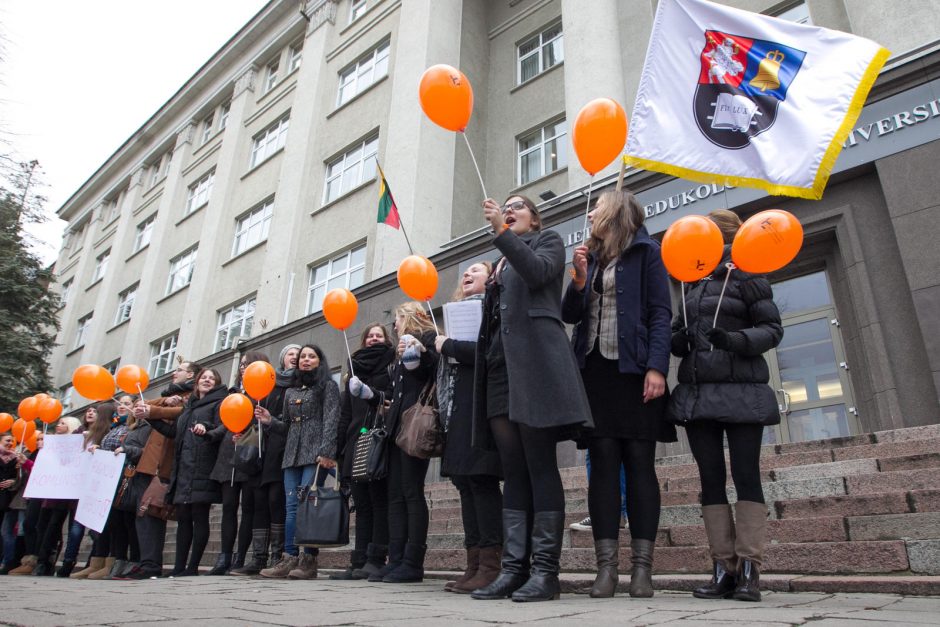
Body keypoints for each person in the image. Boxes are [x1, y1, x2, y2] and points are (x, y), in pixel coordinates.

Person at [470, 195, 593, 603]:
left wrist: (503, 235)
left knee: (539, 465)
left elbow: (539, 273)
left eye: (519, 205)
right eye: (506, 206)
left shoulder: (549, 241)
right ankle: (512, 569)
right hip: (501, 370)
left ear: (534, 218)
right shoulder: (502, 261)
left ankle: (546, 573)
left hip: (536, 365)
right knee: (514, 470)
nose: (510, 209)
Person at [562, 189, 676, 598]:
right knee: (603, 464)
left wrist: (657, 368)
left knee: (640, 463)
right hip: (594, 372)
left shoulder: (648, 252)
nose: (591, 214)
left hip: (635, 371)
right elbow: (569, 316)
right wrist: (577, 282)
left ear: (616, 214)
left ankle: (642, 571)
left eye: (597, 209)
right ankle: (605, 569)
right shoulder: (588, 258)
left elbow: (661, 313)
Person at [667, 209, 783, 603]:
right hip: (699, 394)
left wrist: (735, 341)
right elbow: (681, 335)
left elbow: (772, 329)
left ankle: (750, 569)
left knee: (746, 475)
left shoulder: (747, 273)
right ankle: (723, 569)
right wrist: (677, 339)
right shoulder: (691, 280)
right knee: (710, 480)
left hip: (742, 391)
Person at [435, 263, 504, 594]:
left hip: (481, 406)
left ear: (489, 278)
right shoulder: (454, 315)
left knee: (481, 481)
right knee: (465, 484)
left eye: (476, 270)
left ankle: (491, 564)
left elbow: (486, 353)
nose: (467, 274)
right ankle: (473, 564)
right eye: (464, 272)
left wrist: (446, 345)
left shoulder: (491, 307)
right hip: (456, 409)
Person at [369, 302, 439, 584]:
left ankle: (413, 561)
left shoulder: (427, 339)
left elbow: (431, 371)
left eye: (396, 319)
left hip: (415, 428)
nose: (394, 325)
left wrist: (418, 355)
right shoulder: (398, 349)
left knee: (411, 492)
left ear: (407, 318)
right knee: (395, 494)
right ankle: (396, 559)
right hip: (396, 427)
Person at [257, 344, 339, 580]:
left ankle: (309, 561)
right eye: (302, 357)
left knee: (308, 505)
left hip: (315, 454)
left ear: (319, 361)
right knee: (291, 507)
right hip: (291, 455)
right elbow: (286, 426)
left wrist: (327, 452)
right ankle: (289, 558)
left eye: (311, 356)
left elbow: (331, 420)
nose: (305, 360)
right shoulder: (291, 391)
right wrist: (269, 420)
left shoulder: (328, 387)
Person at [120, 361, 199, 579]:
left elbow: (182, 412)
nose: (174, 373)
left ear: (191, 374)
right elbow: (139, 407)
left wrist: (154, 410)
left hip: (165, 464)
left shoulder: (192, 394)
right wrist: (163, 401)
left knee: (152, 512)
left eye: (180, 370)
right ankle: (147, 562)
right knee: (144, 515)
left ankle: (151, 564)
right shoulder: (169, 395)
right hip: (149, 463)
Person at [149, 368, 228, 577]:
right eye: (204, 377)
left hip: (203, 466)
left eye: (212, 378)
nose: (207, 380)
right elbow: (174, 432)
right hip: (183, 468)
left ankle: (192, 567)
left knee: (199, 516)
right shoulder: (189, 407)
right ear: (197, 382)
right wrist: (150, 418)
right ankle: (178, 567)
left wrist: (207, 430)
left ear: (217, 383)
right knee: (183, 518)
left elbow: (222, 427)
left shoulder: (219, 402)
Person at [333, 325, 395, 580]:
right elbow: (345, 412)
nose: (373, 339)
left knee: (378, 502)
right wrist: (338, 448)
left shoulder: (391, 363)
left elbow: (392, 397)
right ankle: (358, 561)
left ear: (386, 339)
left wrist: (373, 395)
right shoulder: (353, 368)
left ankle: (376, 559)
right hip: (354, 440)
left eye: (378, 335)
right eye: (369, 335)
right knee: (362, 504)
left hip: (378, 437)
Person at [230, 345, 296, 576]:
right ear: (282, 360)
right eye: (291, 354)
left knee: (276, 501)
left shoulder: (297, 387)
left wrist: (270, 421)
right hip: (263, 452)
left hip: (283, 450)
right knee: (260, 502)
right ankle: (259, 557)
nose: (296, 358)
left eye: (300, 355)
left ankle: (277, 556)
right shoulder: (270, 385)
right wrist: (244, 433)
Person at [208, 351, 268, 575]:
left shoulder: (261, 392)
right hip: (228, 455)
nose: (243, 367)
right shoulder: (232, 393)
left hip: (249, 454)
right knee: (229, 507)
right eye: (241, 364)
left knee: (249, 509)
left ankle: (240, 557)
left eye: (248, 364)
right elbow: (225, 422)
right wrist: (209, 434)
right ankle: (224, 557)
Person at [84, 397, 141, 580]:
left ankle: (117, 562)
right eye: (120, 403)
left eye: (128, 404)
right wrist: (97, 450)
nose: (123, 406)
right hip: (108, 481)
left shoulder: (133, 428)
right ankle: (106, 562)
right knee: (112, 523)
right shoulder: (114, 427)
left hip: (125, 478)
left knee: (123, 523)